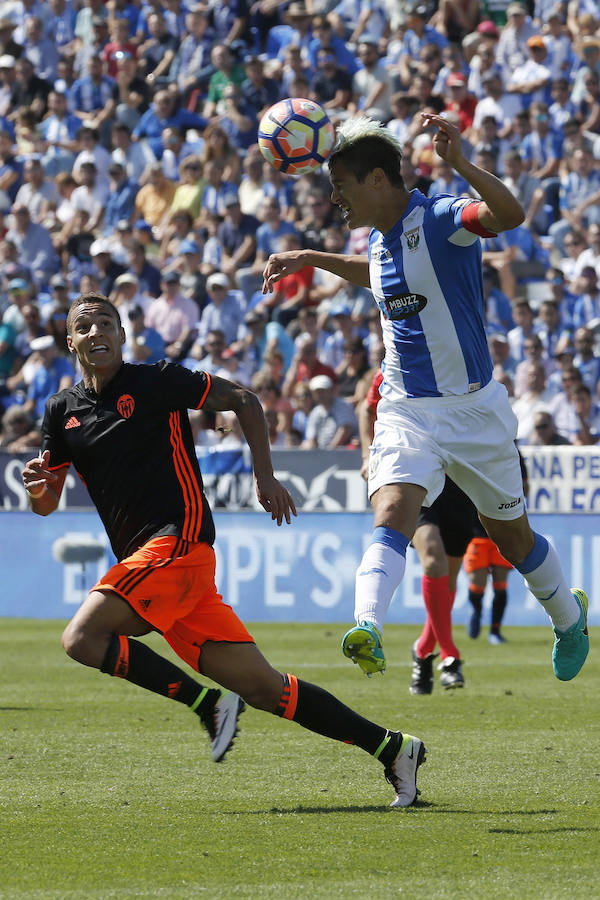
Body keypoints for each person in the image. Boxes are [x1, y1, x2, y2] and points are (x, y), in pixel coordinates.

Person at [20, 292, 426, 809]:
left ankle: (207, 704)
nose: (96, 331)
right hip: (160, 567)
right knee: (264, 688)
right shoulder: (61, 411)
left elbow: (244, 400)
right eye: (84, 326)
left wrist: (266, 477)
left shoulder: (157, 380)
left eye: (106, 322)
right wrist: (38, 490)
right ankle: (393, 748)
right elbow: (47, 503)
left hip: (178, 542)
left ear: (122, 336)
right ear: (71, 342)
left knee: (81, 636)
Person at [263, 114, 589, 684]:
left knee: (512, 538)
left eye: (341, 186)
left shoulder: (440, 218)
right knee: (390, 511)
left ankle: (568, 619)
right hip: (407, 407)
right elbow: (379, 277)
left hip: (475, 410)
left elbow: (509, 216)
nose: (334, 198)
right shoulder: (381, 240)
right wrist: (313, 259)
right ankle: (367, 626)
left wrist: (460, 163)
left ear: (380, 181)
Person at [358, 368, 470, 693]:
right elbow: (367, 408)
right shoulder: (398, 366)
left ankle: (422, 651)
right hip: (413, 472)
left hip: (458, 480)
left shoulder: (462, 364)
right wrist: (367, 454)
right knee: (432, 557)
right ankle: (449, 656)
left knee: (448, 579)